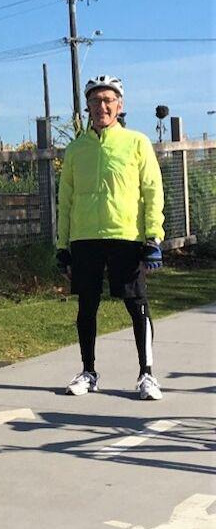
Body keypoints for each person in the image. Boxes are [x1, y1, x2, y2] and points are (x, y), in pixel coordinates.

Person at [56, 74, 165, 400]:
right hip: (85, 238)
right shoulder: (76, 149)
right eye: (95, 101)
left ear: (119, 105)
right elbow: (65, 199)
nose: (101, 106)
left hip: (126, 236)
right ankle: (88, 372)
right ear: (87, 106)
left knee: (136, 305)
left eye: (108, 100)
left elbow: (152, 191)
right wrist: (62, 246)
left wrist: (153, 237)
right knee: (86, 307)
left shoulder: (136, 142)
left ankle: (147, 374)